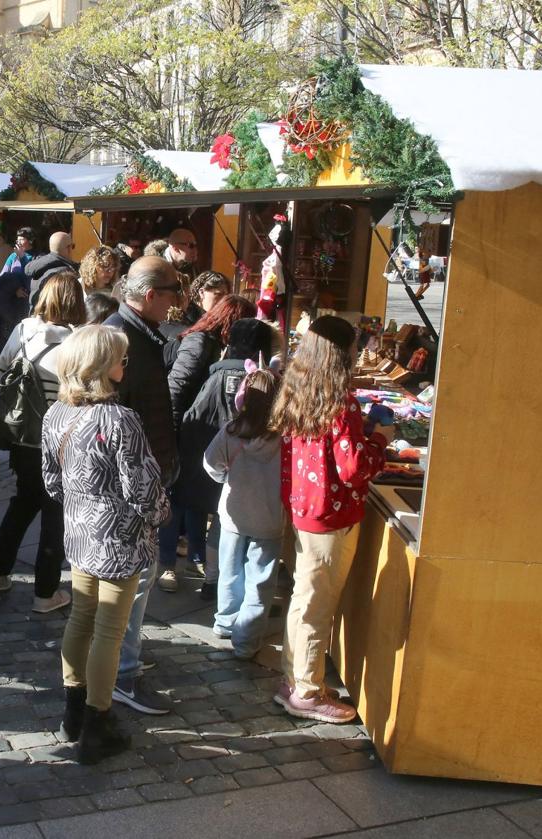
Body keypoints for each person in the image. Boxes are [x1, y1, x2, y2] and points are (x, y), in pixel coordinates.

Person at [41, 324, 169, 765]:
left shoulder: (55, 414)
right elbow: (143, 491)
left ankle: (72, 714)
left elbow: (52, 483)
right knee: (109, 632)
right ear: (101, 367)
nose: (124, 366)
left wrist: (83, 505)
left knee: (81, 618)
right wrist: (158, 518)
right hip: (118, 539)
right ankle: (97, 724)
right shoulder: (120, 420)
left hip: (79, 531)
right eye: (120, 358)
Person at [270, 316, 389, 724]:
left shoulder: (299, 387)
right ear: (343, 353)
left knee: (304, 599)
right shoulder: (339, 399)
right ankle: (305, 691)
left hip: (305, 506)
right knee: (315, 604)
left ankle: (296, 679)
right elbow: (353, 467)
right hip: (330, 513)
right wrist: (379, 442)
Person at [102, 256, 181, 717]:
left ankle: (119, 661)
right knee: (130, 581)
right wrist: (140, 484)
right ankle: (120, 672)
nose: (177, 303)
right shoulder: (120, 336)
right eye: (172, 293)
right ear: (150, 295)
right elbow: (113, 420)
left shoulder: (139, 333)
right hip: (130, 485)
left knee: (134, 581)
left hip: (143, 475)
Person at [0, 272, 86, 613]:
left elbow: (2, 369)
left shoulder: (23, 329)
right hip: (62, 440)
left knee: (23, 503)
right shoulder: (79, 340)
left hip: (24, 436)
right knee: (55, 515)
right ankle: (45, 592)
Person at [163, 296, 258, 601]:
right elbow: (175, 389)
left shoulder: (210, 344)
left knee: (195, 502)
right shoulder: (201, 342)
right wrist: (173, 438)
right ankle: (167, 565)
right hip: (190, 434)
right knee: (180, 501)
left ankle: (196, 558)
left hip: (198, 433)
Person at [203, 367, 283, 660]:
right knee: (260, 580)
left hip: (233, 514)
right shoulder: (285, 438)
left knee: (230, 570)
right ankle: (247, 641)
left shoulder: (231, 432)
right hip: (270, 516)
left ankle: (225, 622)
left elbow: (210, 463)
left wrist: (225, 478)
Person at [0, 227, 36, 352]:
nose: (18, 241)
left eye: (22, 239)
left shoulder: (36, 257)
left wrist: (23, 258)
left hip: (25, 305)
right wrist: (14, 289)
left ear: (30, 240)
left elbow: (31, 277)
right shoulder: (12, 257)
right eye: (17, 238)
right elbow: (2, 278)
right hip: (9, 302)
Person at [26, 231, 77, 305]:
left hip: (36, 313)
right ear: (68, 248)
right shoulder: (65, 273)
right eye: (73, 246)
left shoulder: (39, 266)